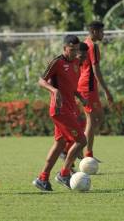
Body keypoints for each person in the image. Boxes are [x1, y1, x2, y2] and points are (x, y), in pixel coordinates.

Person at [33, 35, 87, 191]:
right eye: (71, 49)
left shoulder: (77, 62)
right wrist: (54, 90)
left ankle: (42, 179)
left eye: (76, 49)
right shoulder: (57, 62)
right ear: (64, 48)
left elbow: (70, 86)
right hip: (59, 109)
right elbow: (41, 81)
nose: (74, 52)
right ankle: (64, 174)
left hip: (70, 108)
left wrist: (80, 97)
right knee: (81, 141)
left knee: (60, 144)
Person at [77, 21, 114, 161]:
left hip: (88, 87)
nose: (103, 34)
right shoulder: (92, 46)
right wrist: (107, 91)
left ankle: (83, 151)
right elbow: (96, 70)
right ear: (94, 32)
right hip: (88, 87)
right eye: (101, 32)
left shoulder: (85, 43)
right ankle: (78, 150)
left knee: (98, 119)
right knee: (92, 120)